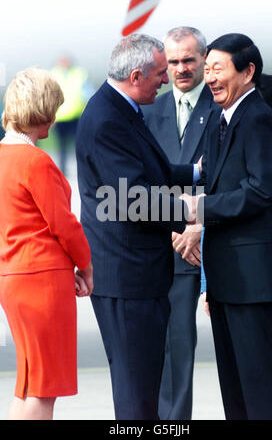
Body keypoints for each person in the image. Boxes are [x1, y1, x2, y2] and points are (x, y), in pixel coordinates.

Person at [75, 33, 201, 420]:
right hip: (127, 277)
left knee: (143, 384)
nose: (166, 80)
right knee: (136, 394)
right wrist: (190, 211)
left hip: (135, 273)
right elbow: (131, 199)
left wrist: (197, 173)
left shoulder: (119, 107)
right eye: (161, 73)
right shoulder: (107, 120)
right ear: (135, 75)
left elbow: (149, 171)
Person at [173, 33, 272, 419]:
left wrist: (204, 207)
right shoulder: (219, 117)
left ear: (248, 72)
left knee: (262, 389)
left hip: (253, 281)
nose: (209, 77)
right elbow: (211, 174)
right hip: (228, 279)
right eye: (207, 69)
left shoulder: (258, 118)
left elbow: (264, 189)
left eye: (218, 69)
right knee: (237, 390)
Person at [0, 67, 93, 420]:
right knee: (44, 389)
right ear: (41, 111)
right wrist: (85, 265)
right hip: (41, 280)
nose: (55, 117)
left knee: (27, 384)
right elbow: (64, 226)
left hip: (13, 278)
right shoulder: (35, 162)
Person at [142, 26, 219, 420]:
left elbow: (230, 178)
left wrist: (197, 224)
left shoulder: (222, 106)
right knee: (170, 351)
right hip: (167, 246)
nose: (181, 69)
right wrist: (174, 225)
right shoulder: (149, 111)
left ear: (204, 59)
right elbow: (140, 181)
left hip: (212, 244)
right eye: (173, 62)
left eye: (189, 60)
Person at [51, 55, 94, 175]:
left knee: (80, 146)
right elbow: (49, 98)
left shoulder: (80, 74)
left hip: (76, 116)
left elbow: (88, 94)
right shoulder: (53, 74)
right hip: (60, 117)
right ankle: (63, 172)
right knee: (62, 147)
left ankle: (84, 169)